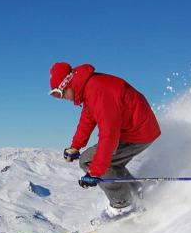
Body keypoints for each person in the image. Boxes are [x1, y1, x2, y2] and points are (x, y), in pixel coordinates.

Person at [49, 62, 161, 222]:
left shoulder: (98, 91)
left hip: (138, 132)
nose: (61, 98)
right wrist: (75, 146)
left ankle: (123, 206)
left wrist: (94, 172)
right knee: (102, 162)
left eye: (59, 93)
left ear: (67, 83)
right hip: (136, 129)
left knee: (90, 161)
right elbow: (87, 120)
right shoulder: (90, 89)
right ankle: (137, 191)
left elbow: (109, 135)